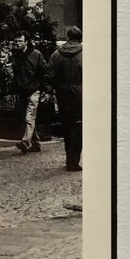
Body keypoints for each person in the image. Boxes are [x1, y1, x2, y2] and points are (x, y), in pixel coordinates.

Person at [49, 25, 83, 171]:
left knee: (66, 125)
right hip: (80, 93)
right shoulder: (85, 54)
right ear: (79, 39)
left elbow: (49, 75)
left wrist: (51, 90)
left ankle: (69, 159)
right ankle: (74, 161)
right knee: (78, 125)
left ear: (68, 38)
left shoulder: (56, 54)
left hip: (62, 93)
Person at [11, 32, 47, 154]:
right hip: (22, 90)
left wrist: (46, 90)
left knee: (29, 116)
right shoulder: (16, 56)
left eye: (20, 41)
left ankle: (26, 142)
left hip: (34, 89)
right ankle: (35, 143)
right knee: (28, 117)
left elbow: (44, 73)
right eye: (16, 41)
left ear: (26, 42)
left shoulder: (36, 55)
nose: (18, 43)